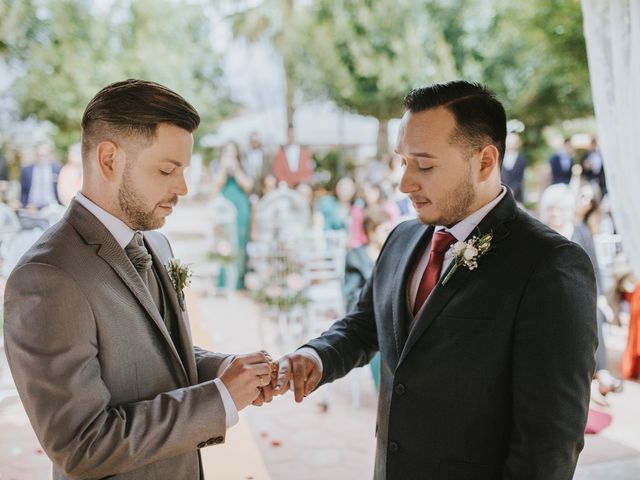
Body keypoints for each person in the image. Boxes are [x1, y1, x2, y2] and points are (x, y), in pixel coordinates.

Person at [275, 81, 597, 479]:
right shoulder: (400, 238)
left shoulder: (551, 266)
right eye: (402, 161)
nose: (404, 183)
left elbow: (548, 444)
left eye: (424, 165)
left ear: (484, 161)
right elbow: (364, 325)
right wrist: (318, 356)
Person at [3, 79, 275, 480]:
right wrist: (219, 399)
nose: (182, 188)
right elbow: (83, 445)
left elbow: (152, 351)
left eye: (184, 170)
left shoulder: (157, 243)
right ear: (109, 160)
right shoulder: (45, 278)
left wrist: (227, 369)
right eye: (167, 170)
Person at [540, 183, 622, 396]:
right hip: (547, 296)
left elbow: (594, 267)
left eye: (560, 209)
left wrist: (602, 298)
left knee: (595, 313)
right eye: (551, 209)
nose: (555, 213)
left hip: (578, 294)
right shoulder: (539, 234)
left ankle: (600, 372)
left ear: (568, 210)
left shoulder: (581, 231)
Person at [211, 141, 253, 290]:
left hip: (240, 207)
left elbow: (249, 186)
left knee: (240, 241)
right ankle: (224, 280)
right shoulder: (217, 165)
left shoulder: (243, 165)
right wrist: (223, 168)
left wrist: (236, 170)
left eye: (232, 151)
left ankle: (239, 280)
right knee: (224, 241)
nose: (230, 155)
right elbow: (216, 187)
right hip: (223, 208)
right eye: (227, 151)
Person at [20, 140, 62, 208]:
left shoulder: (57, 169)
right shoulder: (26, 170)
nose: (41, 158)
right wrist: (25, 205)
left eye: (43, 155)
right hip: (31, 208)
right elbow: (23, 192)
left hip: (52, 207)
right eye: (38, 155)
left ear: (50, 154)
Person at [501, 132, 527, 203]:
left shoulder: (522, 159)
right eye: (509, 143)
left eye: (513, 143)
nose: (511, 146)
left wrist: (512, 190)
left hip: (517, 195)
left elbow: (520, 178)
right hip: (500, 193)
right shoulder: (499, 157)